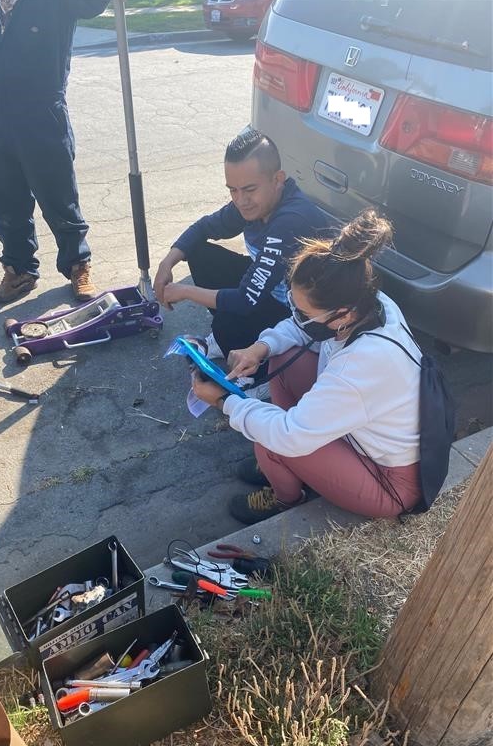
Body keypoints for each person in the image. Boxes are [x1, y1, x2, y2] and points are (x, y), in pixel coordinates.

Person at [191, 210, 423, 524]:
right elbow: (301, 327)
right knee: (281, 358)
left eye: (303, 312)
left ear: (342, 315)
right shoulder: (370, 302)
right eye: (294, 306)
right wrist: (260, 347)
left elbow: (289, 434)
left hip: (389, 482)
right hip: (363, 434)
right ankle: (288, 466)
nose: (297, 317)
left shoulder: (361, 366)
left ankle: (286, 496)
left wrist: (223, 401)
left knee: (273, 441)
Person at [0, 0, 113, 303]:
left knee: (58, 194)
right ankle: (19, 270)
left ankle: (77, 265)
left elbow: (91, 3)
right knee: (4, 198)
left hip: (42, 110)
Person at [153, 129, 326, 366]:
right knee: (198, 252)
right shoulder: (255, 204)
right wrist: (167, 263)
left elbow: (246, 300)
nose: (240, 200)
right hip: (269, 295)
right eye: (232, 190)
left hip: (301, 320)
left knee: (227, 322)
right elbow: (203, 227)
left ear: (277, 180)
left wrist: (185, 291)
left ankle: (263, 370)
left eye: (249, 189)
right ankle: (236, 343)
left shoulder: (289, 221)